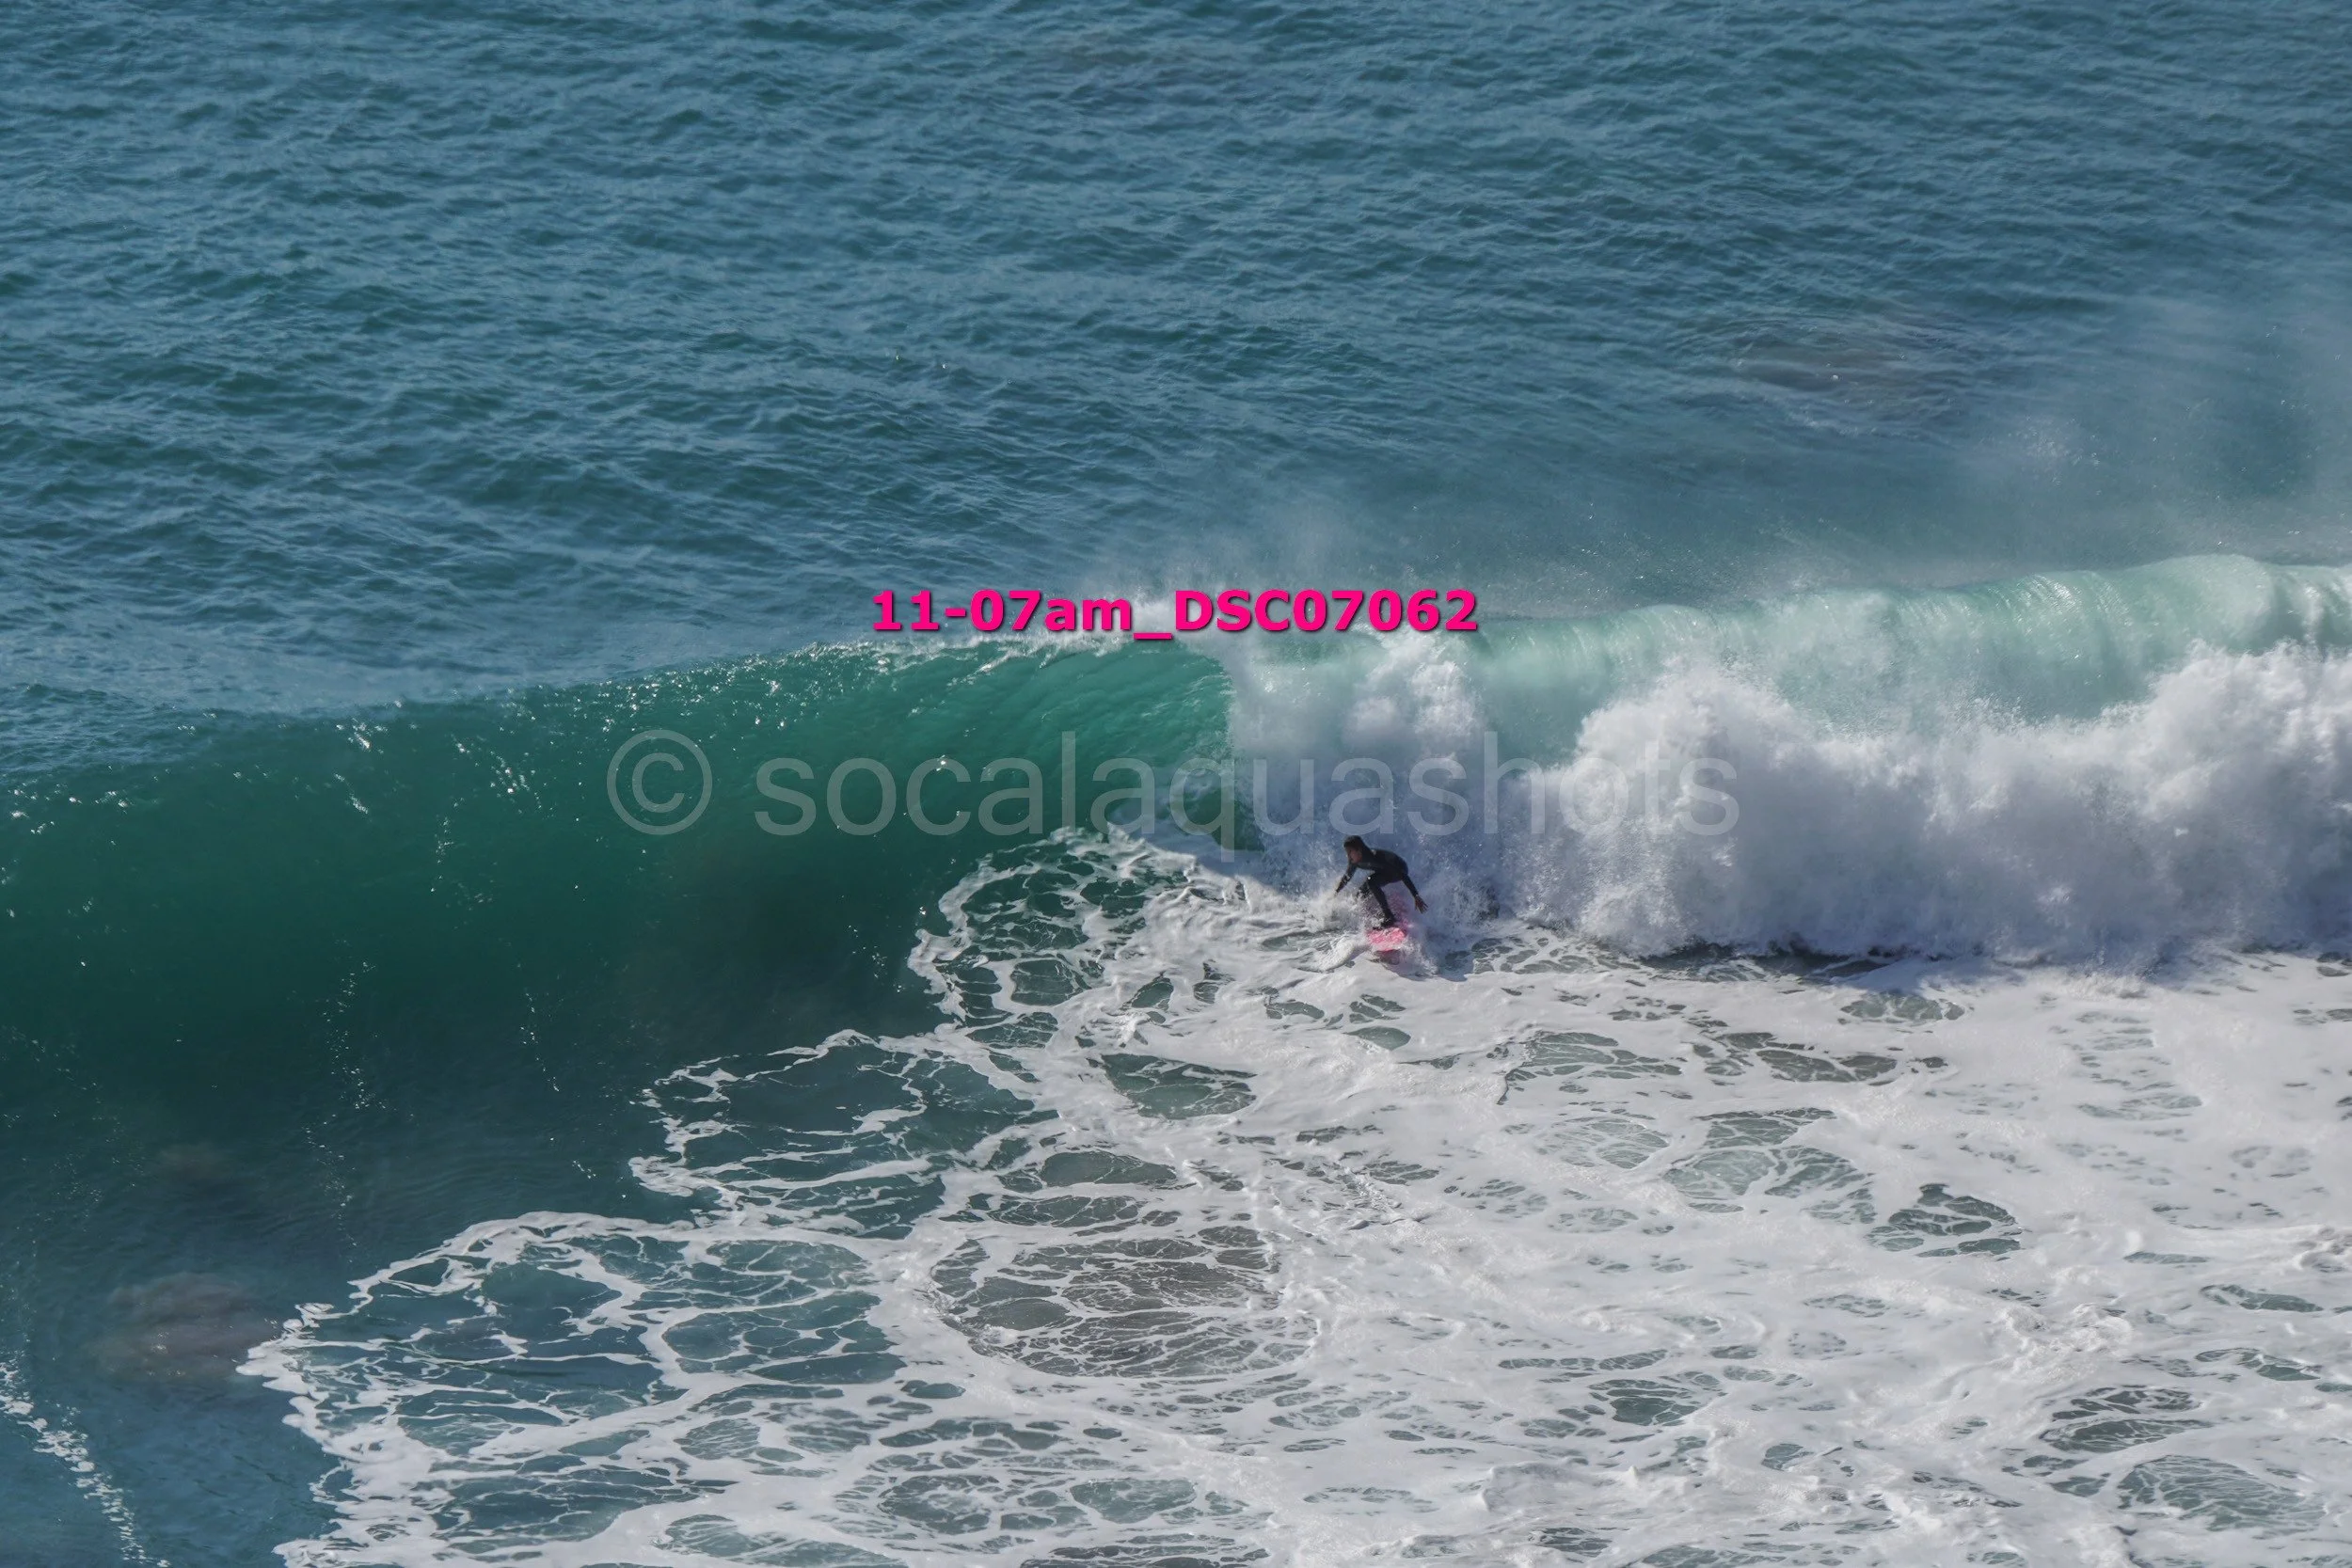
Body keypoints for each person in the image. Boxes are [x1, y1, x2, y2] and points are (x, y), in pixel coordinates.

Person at [1334, 835, 1426, 928]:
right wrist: (1336, 892)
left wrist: (1415, 895)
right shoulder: (1354, 861)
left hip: (1399, 869)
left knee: (1371, 882)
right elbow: (1347, 877)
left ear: (1359, 849)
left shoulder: (1375, 857)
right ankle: (1372, 909)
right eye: (1347, 852)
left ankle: (1389, 917)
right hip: (1383, 871)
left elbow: (1402, 874)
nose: (1348, 855)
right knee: (1360, 893)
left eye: (1350, 852)